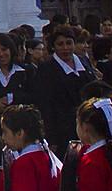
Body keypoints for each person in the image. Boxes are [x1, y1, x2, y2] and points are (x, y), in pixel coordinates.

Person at [34, 26, 95, 159]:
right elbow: (46, 104)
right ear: (53, 46)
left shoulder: (83, 61)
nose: (65, 48)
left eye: (69, 43)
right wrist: (52, 138)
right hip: (63, 129)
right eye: (60, 44)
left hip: (89, 126)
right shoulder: (46, 68)